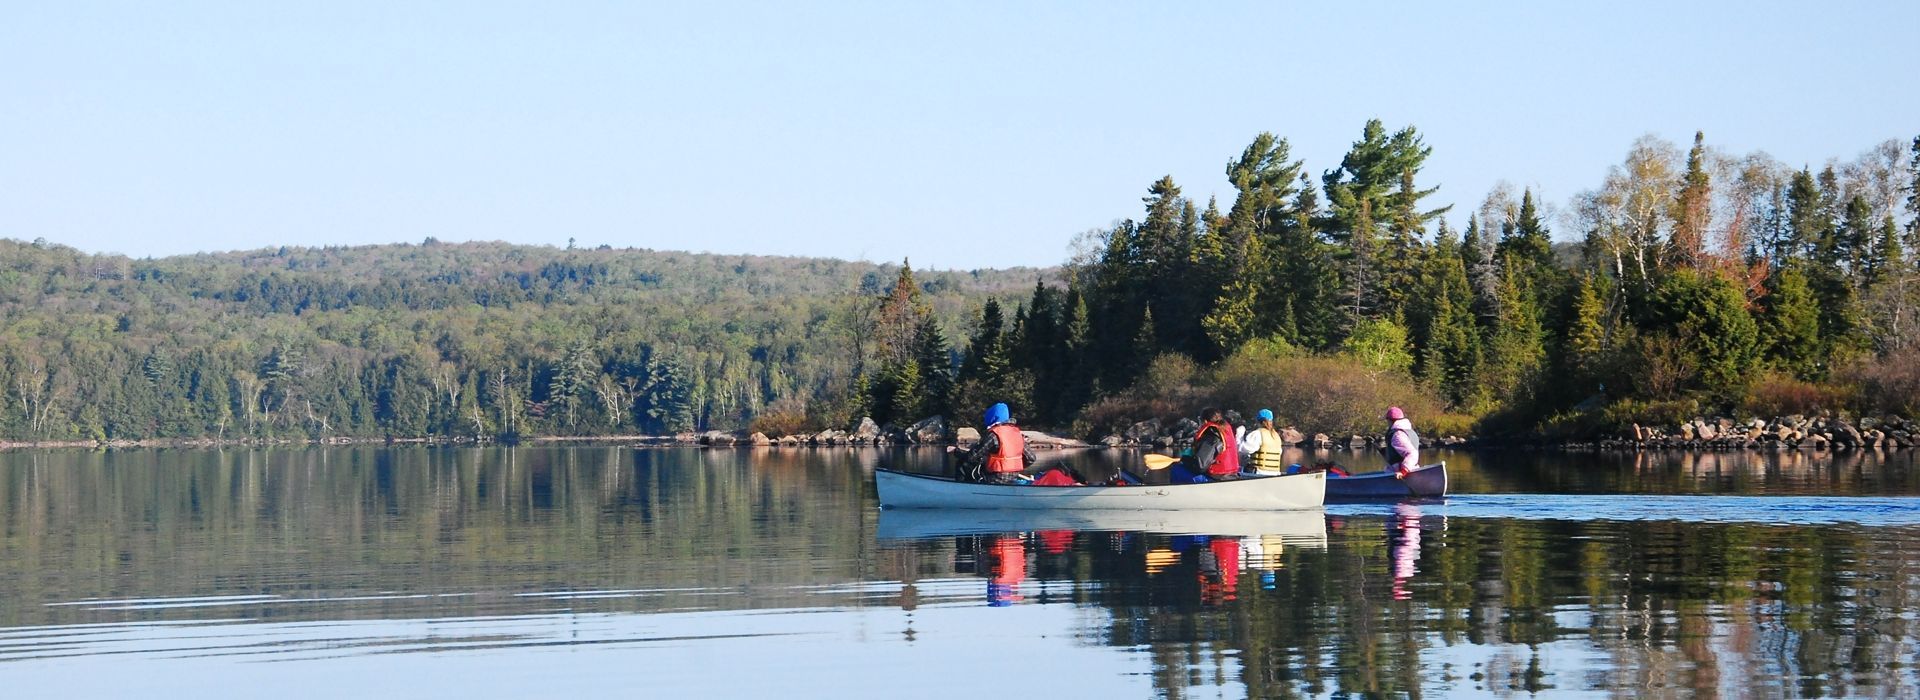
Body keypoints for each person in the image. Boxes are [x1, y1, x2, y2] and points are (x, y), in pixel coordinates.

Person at [958, 402, 1038, 485]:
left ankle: (962, 490)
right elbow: (1031, 458)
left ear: (992, 417)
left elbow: (972, 457)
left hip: (994, 479)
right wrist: (1014, 467)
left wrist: (957, 452)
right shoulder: (1017, 434)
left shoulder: (994, 435)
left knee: (963, 463)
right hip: (1013, 477)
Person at [1189, 407, 1241, 481]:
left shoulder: (1211, 434)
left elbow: (1201, 466)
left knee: (1177, 469)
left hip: (1218, 476)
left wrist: (1185, 460)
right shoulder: (1225, 429)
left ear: (1205, 421)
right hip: (1232, 473)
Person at [1238, 408, 1287, 476]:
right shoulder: (1276, 436)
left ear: (1258, 421)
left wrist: (1239, 436)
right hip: (1275, 473)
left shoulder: (1257, 433)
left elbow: (1243, 449)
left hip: (1260, 472)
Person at [1383, 406, 1420, 478]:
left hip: (1402, 474)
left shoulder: (1397, 435)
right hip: (1413, 468)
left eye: (1387, 420)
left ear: (1390, 420)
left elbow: (1412, 453)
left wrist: (1403, 471)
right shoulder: (1409, 431)